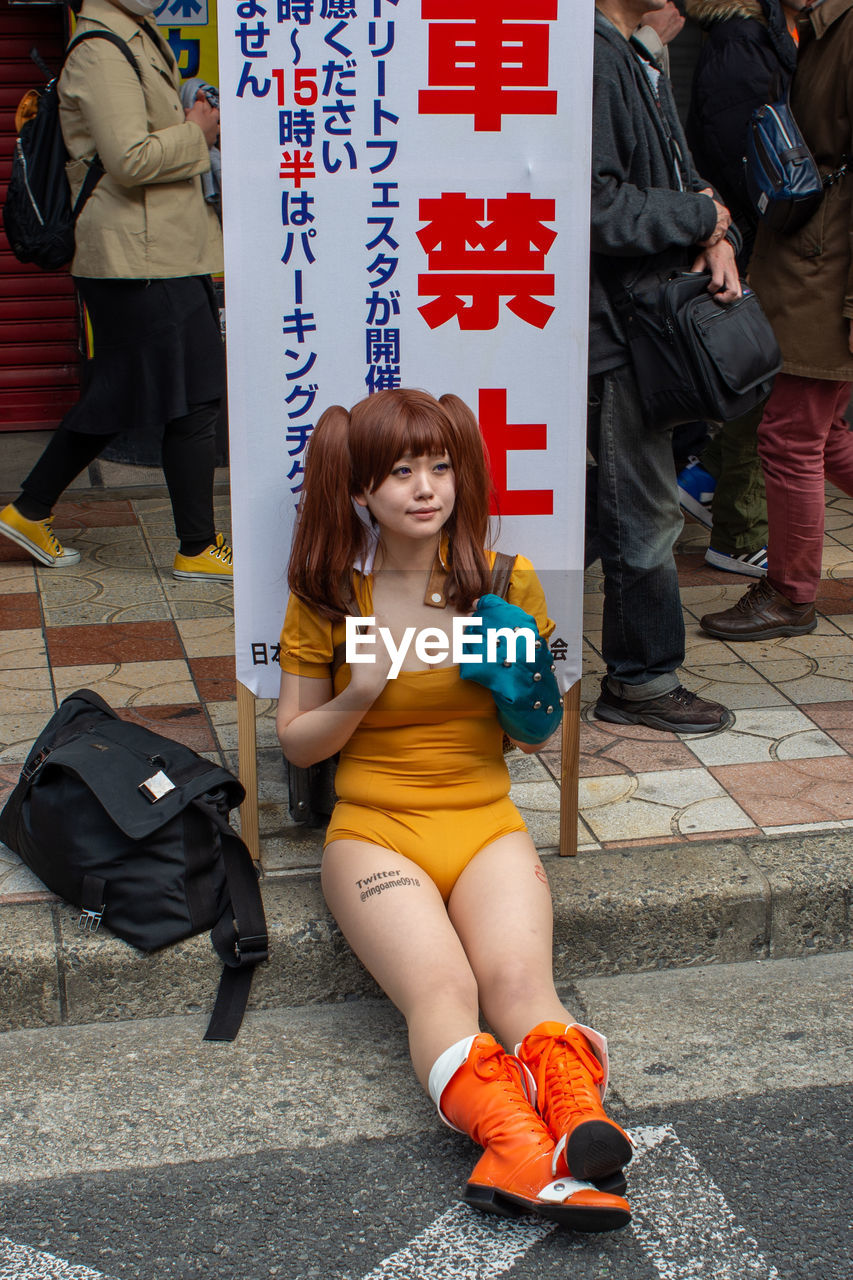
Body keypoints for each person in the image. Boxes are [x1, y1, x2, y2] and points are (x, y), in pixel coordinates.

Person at [276, 388, 633, 1233]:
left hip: (485, 821)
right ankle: (511, 1140)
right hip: (372, 831)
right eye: (399, 472)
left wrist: (521, 679)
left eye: (439, 466)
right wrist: (359, 690)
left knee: (518, 984)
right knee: (443, 986)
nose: (425, 487)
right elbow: (296, 745)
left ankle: (579, 1117)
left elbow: (536, 739)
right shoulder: (330, 594)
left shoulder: (502, 584)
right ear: (361, 491)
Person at [0, 0, 232, 582]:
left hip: (163, 250)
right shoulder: (103, 51)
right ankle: (196, 547)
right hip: (137, 254)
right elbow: (129, 160)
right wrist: (197, 134)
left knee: (130, 393)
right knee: (193, 395)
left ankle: (28, 511)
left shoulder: (138, 38)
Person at [588, 0, 739, 733]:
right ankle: (640, 680)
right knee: (640, 508)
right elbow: (594, 207)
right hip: (615, 330)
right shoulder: (592, 53)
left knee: (632, 504)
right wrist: (698, 219)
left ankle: (639, 674)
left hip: (635, 328)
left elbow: (681, 175)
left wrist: (713, 227)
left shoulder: (622, 51)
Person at [700, 0, 853, 641]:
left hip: (830, 270)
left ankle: (790, 595)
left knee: (791, 435)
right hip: (812, 259)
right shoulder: (820, 29)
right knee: (825, 430)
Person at [675, 0, 799, 579]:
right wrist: (773, 218)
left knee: (771, 385)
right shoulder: (743, 40)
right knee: (764, 383)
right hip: (755, 239)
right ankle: (738, 531)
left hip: (757, 236)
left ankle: (704, 477)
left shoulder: (754, 37)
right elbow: (741, 152)